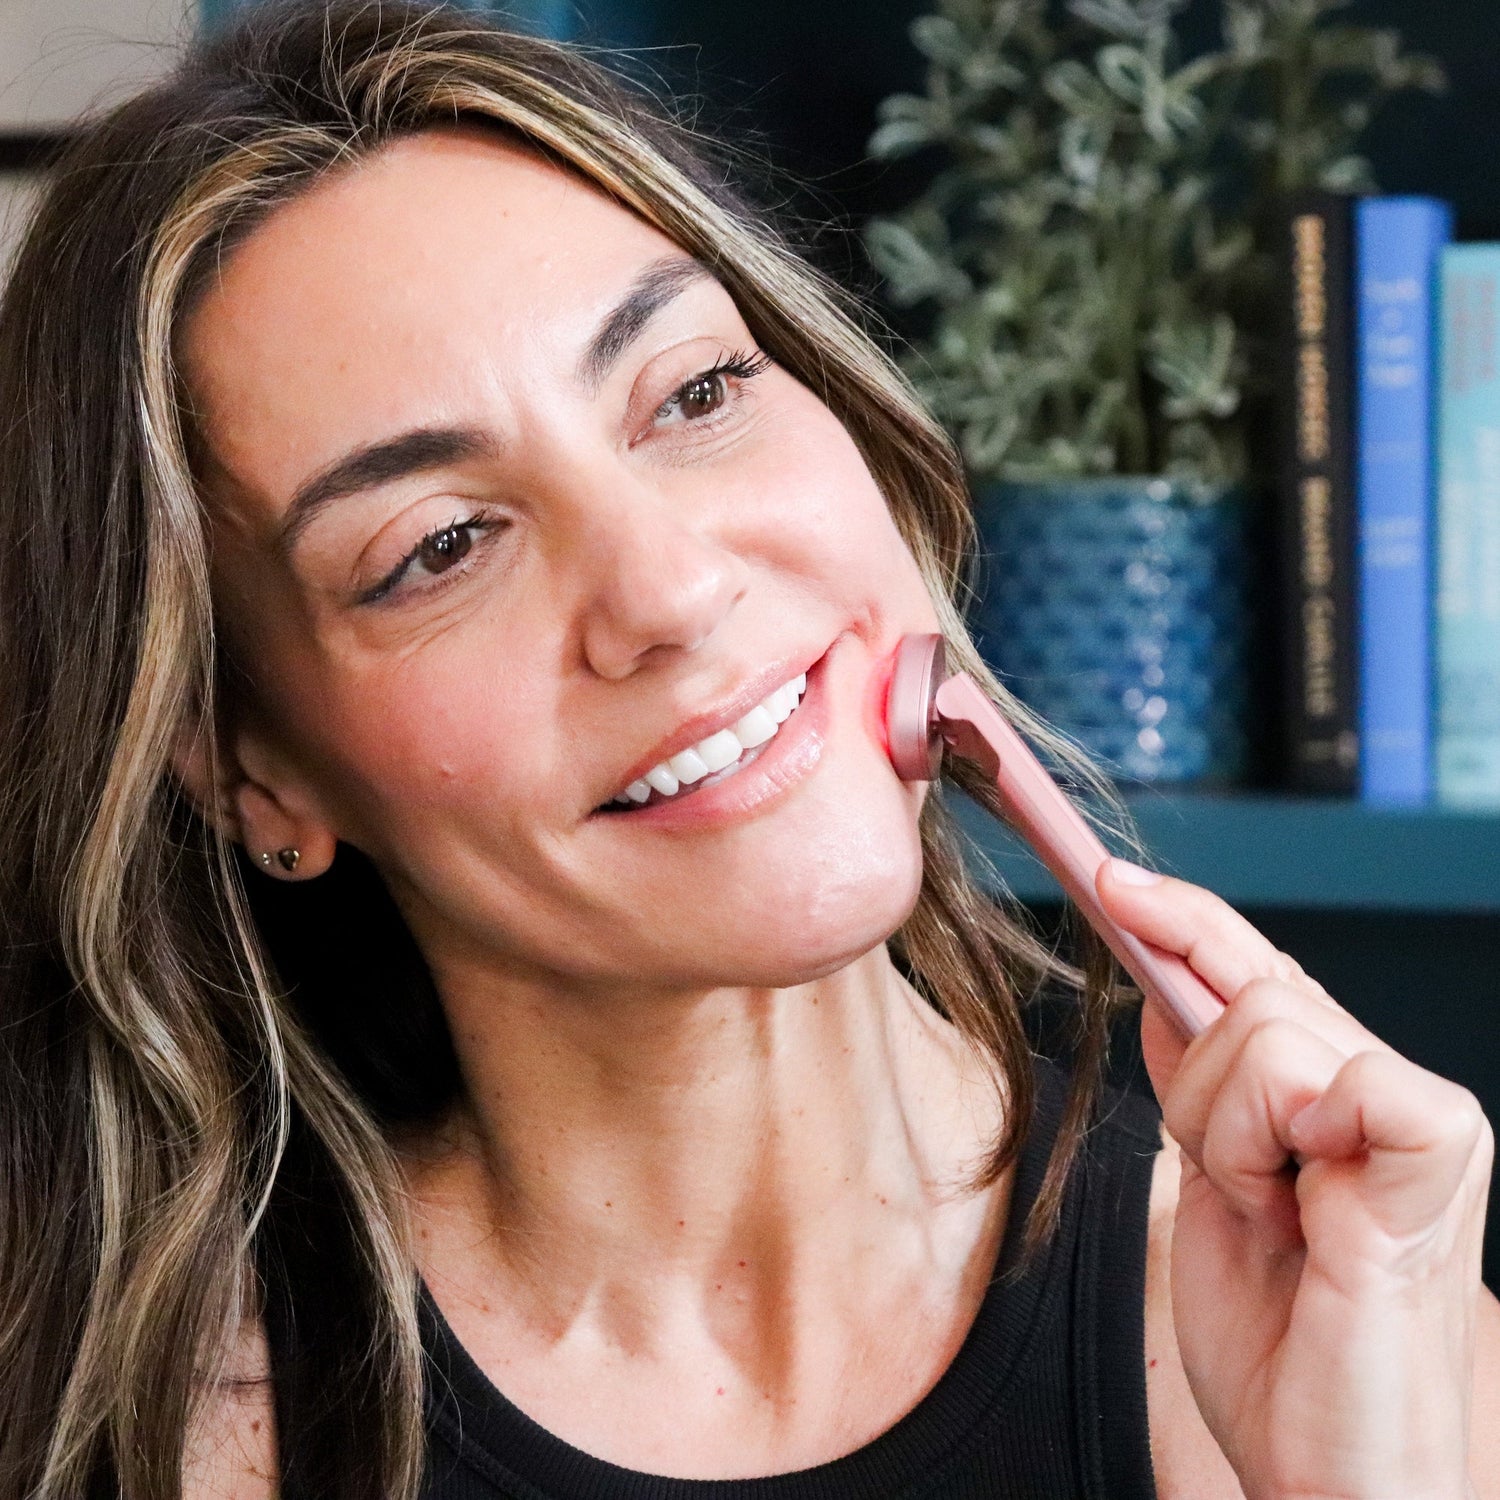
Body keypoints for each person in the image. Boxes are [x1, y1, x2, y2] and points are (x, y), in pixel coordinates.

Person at [0, 1, 1495, 1496]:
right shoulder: (169, 1435)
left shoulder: (1365, 1357)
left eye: (699, 392)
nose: (670, 588)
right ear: (255, 769)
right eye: (442, 545)